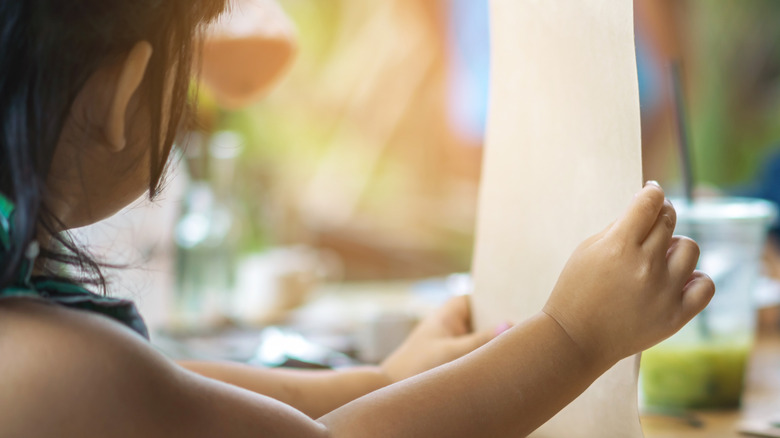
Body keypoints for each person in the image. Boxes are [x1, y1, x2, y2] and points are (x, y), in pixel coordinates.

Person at [0, 1, 715, 437]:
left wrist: (378, 380)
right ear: (127, 96)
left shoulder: (43, 333)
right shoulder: (50, 367)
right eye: (184, 78)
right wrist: (574, 336)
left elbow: (174, 389)